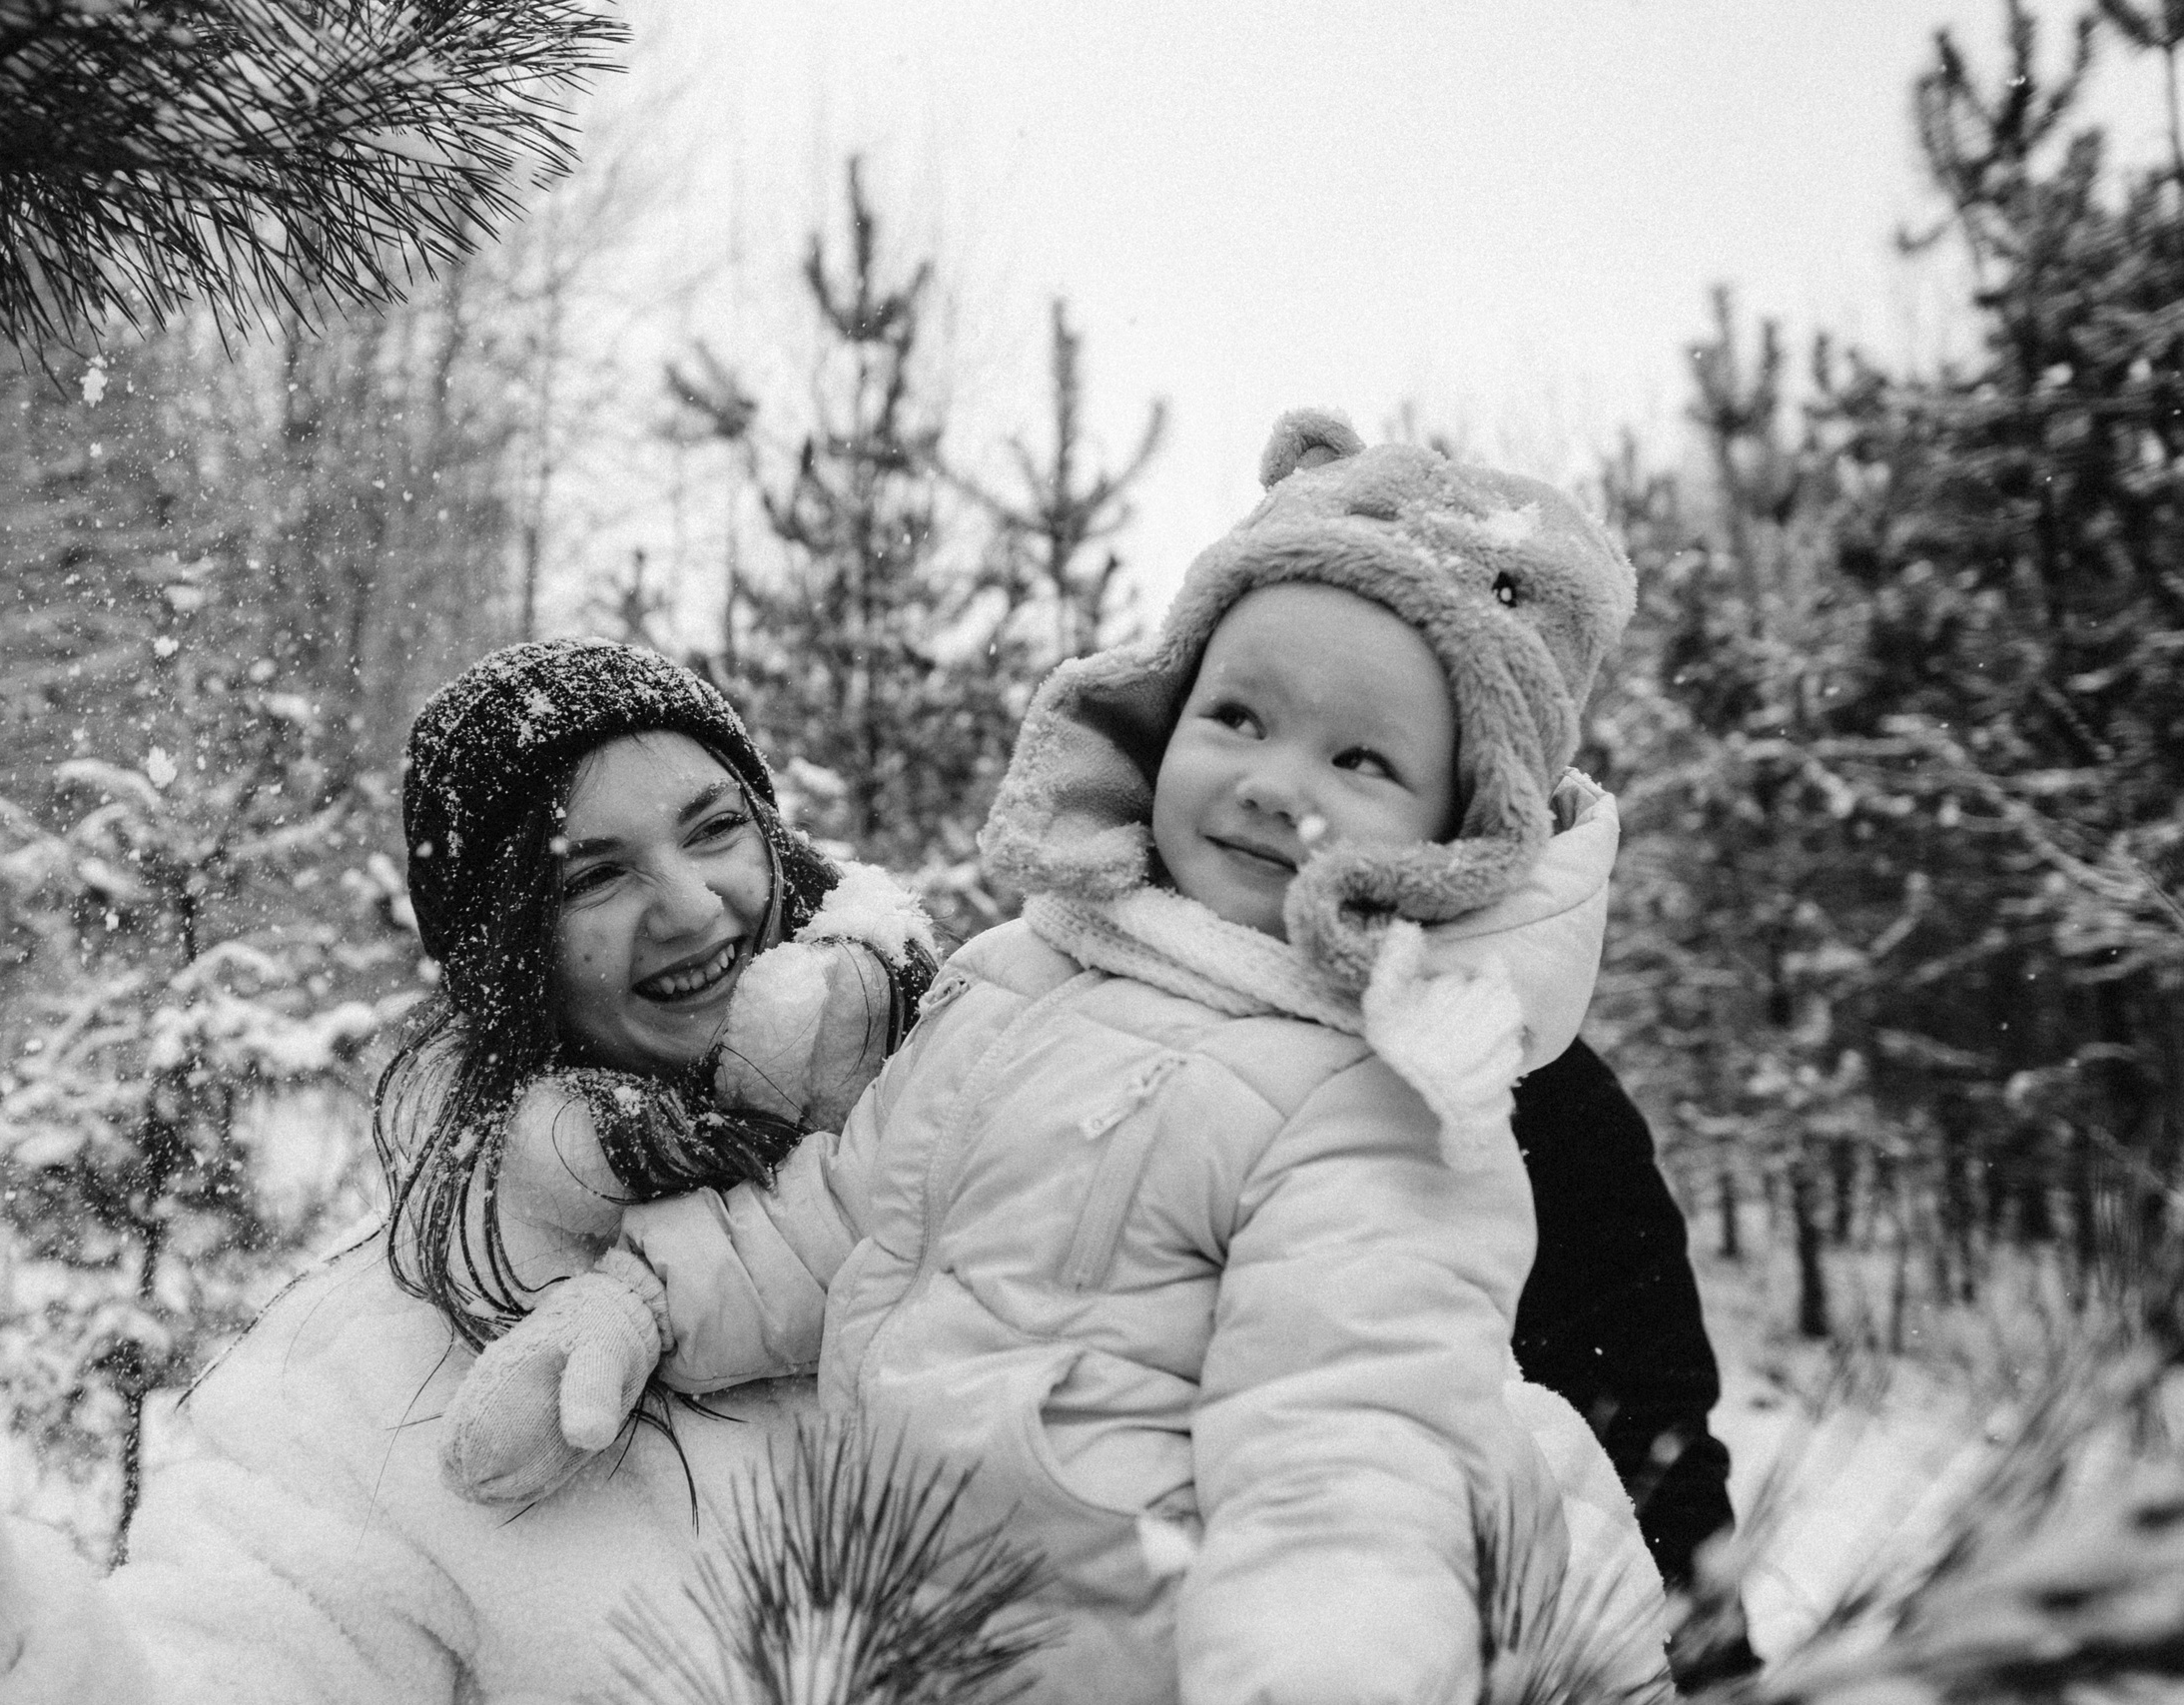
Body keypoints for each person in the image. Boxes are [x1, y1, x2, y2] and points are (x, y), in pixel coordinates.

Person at [442, 411, 1681, 1705]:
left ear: (1463, 829)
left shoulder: (1382, 1095)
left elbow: (1348, 1452)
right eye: (1239, 714)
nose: (1272, 782)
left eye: (1360, 757)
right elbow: (848, 1211)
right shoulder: (1023, 975)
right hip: (903, 1635)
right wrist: (637, 1305)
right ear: (1163, 710)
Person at [0, 638, 936, 1705]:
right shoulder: (388, 1383)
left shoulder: (994, 1134)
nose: (690, 906)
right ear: (512, 951)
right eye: (594, 875)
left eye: (714, 829)